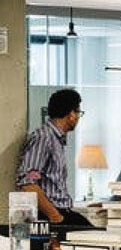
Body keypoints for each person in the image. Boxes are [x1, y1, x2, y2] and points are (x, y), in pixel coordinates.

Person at [16, 89, 93, 226]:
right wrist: (55, 216)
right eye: (78, 113)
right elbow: (27, 182)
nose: (78, 117)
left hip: (62, 211)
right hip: (51, 214)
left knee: (95, 237)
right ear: (71, 114)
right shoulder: (44, 138)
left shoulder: (56, 139)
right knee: (94, 239)